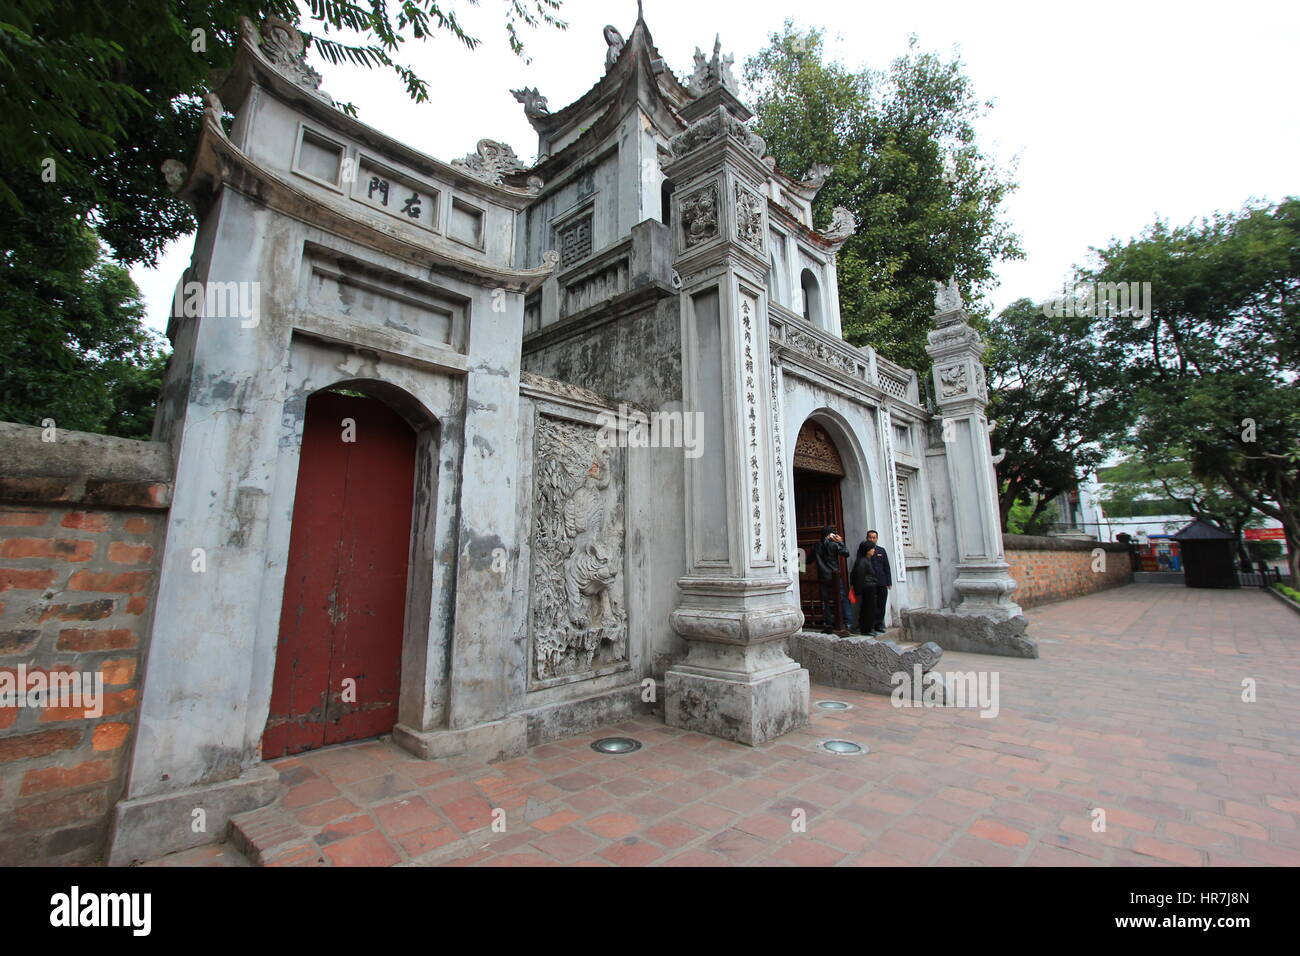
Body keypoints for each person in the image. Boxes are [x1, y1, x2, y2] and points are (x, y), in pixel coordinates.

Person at [812, 525, 851, 633]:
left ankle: (829, 623)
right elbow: (846, 553)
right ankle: (847, 622)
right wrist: (841, 542)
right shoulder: (834, 545)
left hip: (823, 577)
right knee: (841, 598)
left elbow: (808, 560)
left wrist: (799, 563)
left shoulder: (816, 546)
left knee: (825, 601)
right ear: (830, 534)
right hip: (834, 577)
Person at [859, 529, 892, 635]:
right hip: (869, 583)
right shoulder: (863, 550)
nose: (872, 539)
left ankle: (879, 624)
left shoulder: (881, 550)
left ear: (877, 539)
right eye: (870, 537)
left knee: (881, 604)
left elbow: (886, 566)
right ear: (867, 538)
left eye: (874, 537)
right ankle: (870, 625)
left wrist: (889, 581)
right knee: (870, 605)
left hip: (881, 581)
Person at [850, 542, 879, 636]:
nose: (874, 550)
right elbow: (859, 577)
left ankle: (868, 628)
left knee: (869, 609)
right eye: (872, 548)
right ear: (867, 550)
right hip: (866, 588)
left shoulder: (866, 560)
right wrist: (858, 591)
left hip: (869, 587)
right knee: (868, 609)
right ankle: (866, 629)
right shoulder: (862, 561)